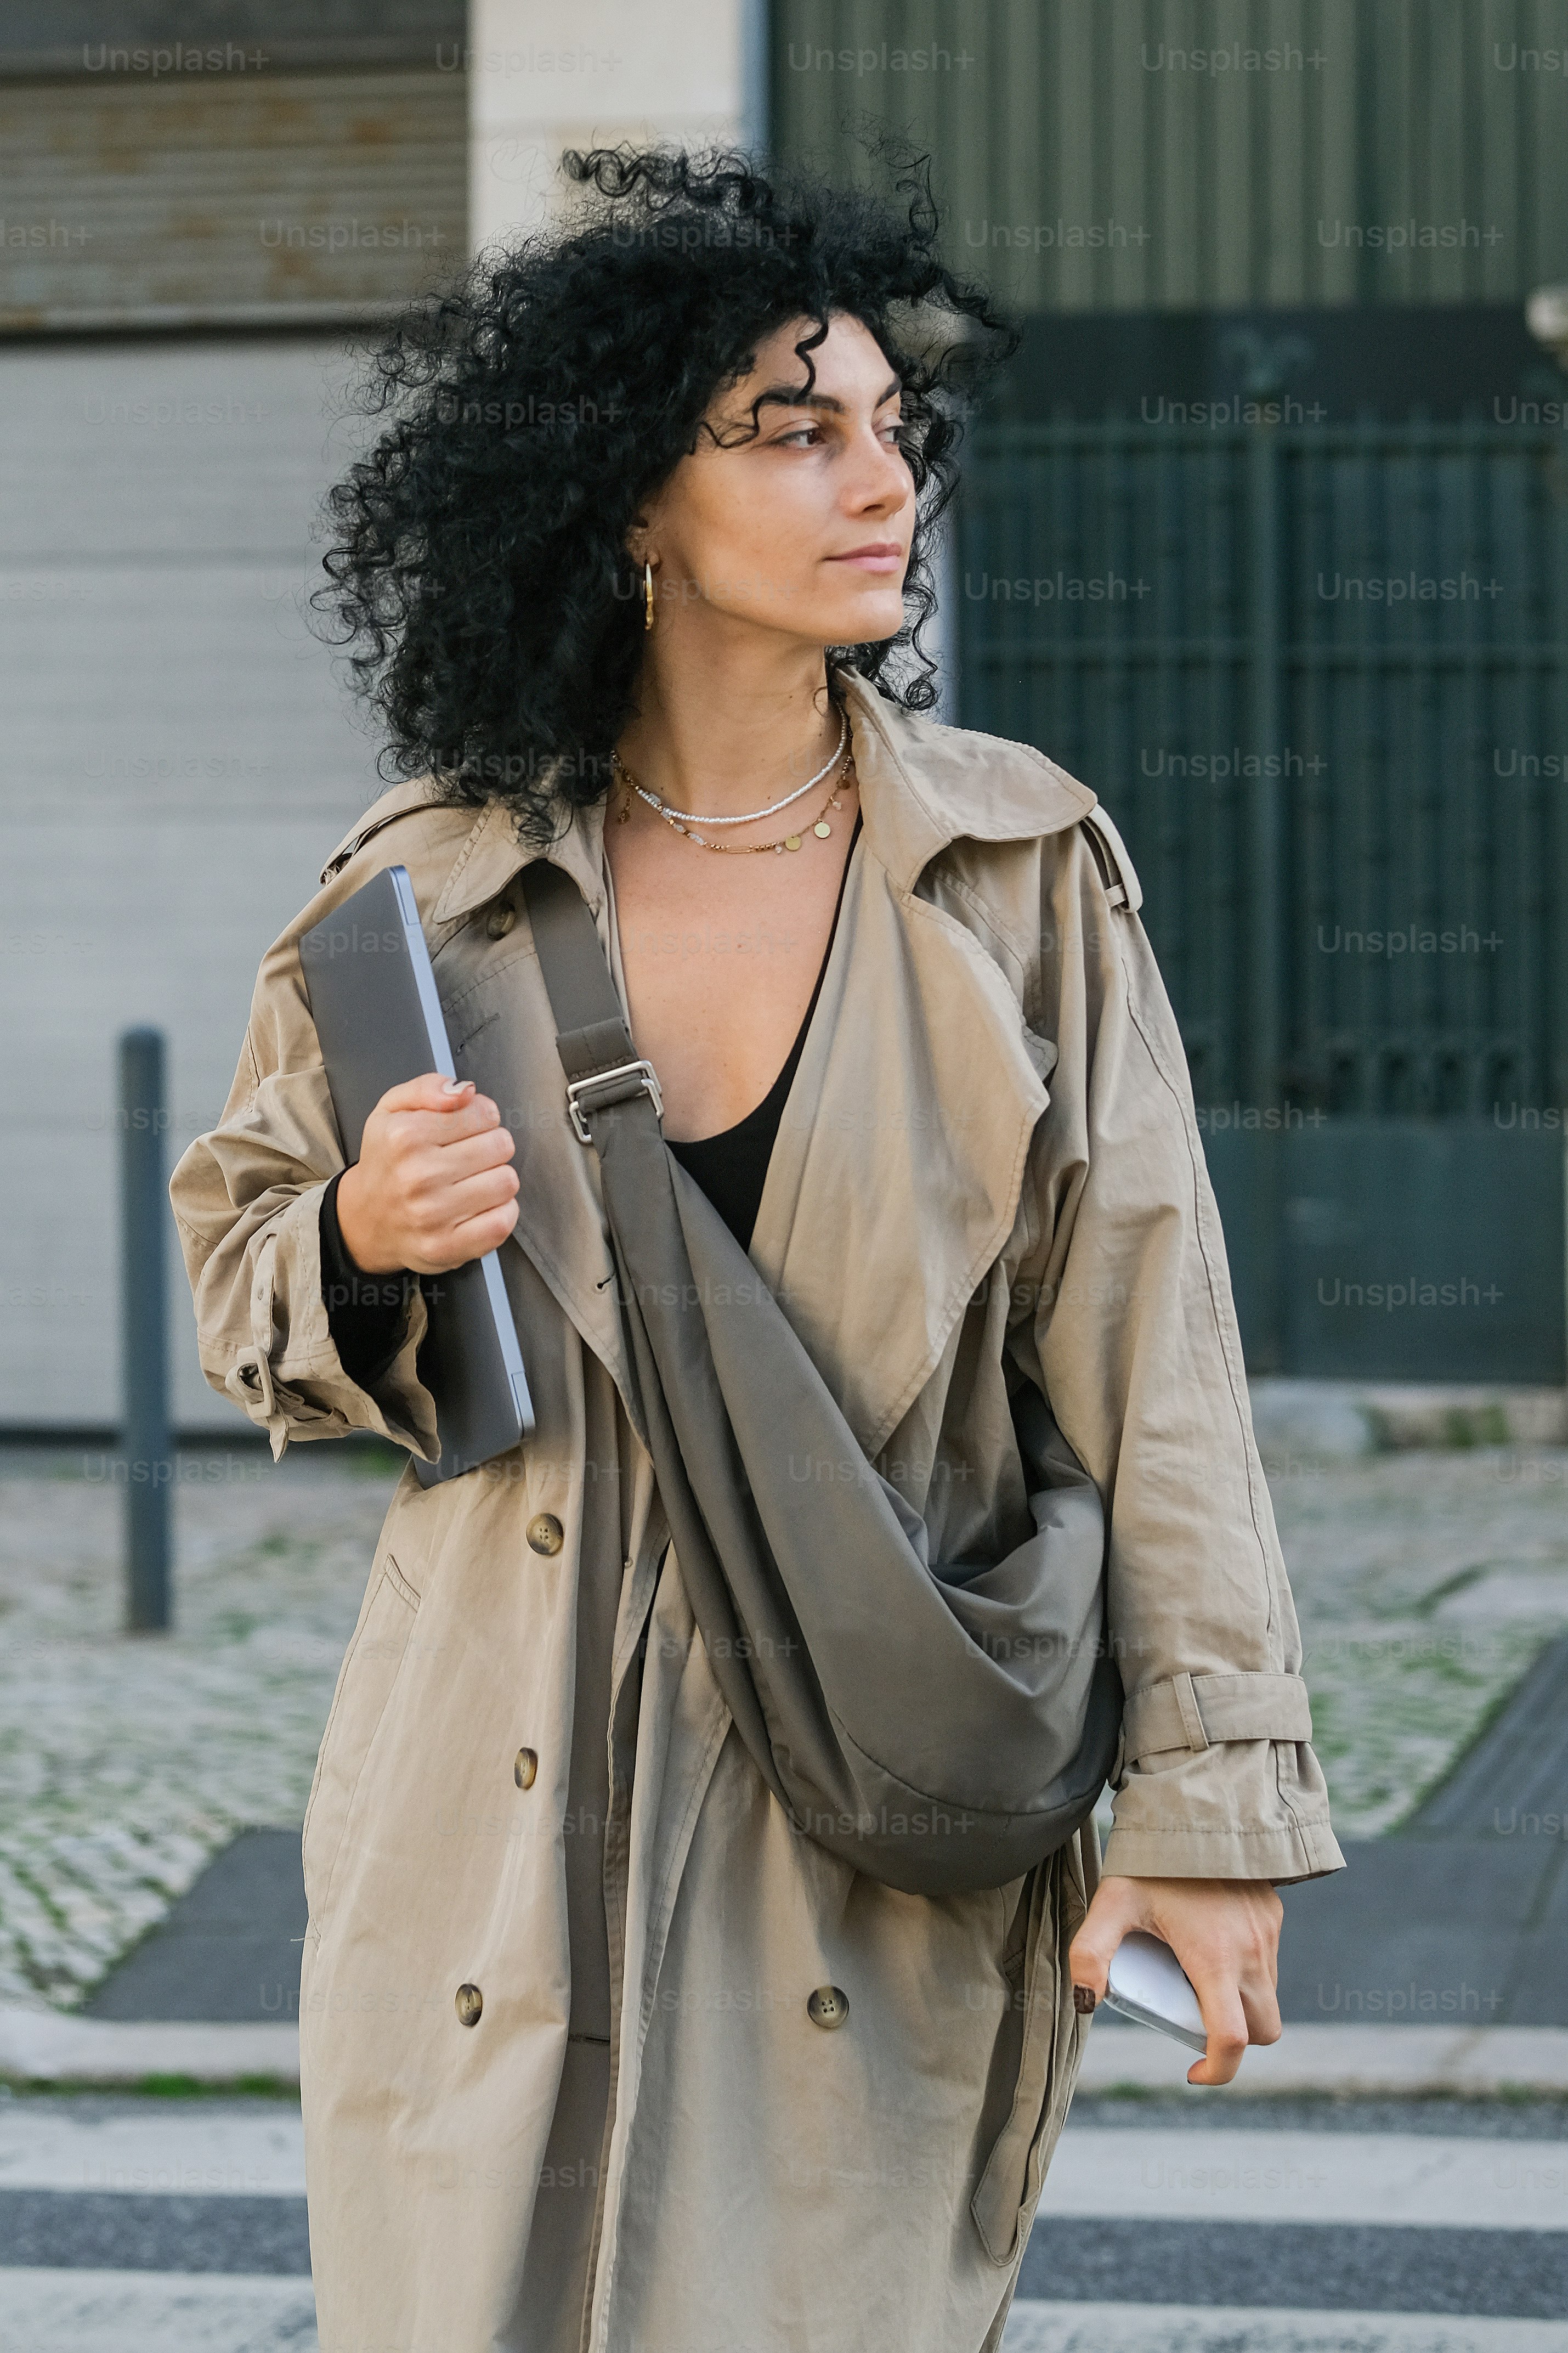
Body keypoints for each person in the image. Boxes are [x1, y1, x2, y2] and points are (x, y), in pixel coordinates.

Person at [169, 146, 1343, 2353]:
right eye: (790, 431)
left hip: (859, 1808)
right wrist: (356, 1235)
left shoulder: (1013, 873)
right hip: (477, 1835)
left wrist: (1210, 1803)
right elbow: (243, 1283)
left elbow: (1153, 1359)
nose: (872, 477)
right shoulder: (423, 891)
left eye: (893, 425)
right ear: (629, 500)